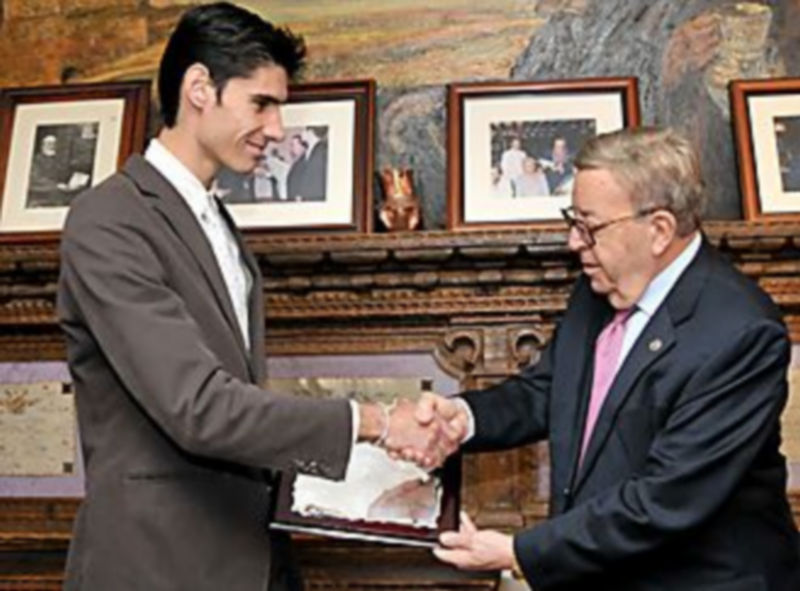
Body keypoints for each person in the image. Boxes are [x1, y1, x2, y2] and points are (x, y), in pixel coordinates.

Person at [56, 4, 458, 591]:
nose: (276, 129)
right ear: (199, 89)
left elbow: (238, 406)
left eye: (280, 108)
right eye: (261, 104)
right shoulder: (109, 220)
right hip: (154, 566)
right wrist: (375, 422)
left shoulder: (217, 222)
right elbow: (201, 408)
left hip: (252, 556)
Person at [421, 127, 800, 590]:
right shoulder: (602, 284)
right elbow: (548, 389)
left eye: (589, 226)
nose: (572, 242)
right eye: (572, 220)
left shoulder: (741, 334)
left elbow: (666, 498)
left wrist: (521, 552)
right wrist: (462, 417)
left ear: (658, 229)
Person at [298, 125, 327, 201]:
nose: (302, 133)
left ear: (310, 132)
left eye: (304, 130)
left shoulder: (321, 150)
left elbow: (315, 180)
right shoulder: (314, 150)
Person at [285, 133, 307, 200]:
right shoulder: (296, 162)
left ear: (302, 146)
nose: (291, 148)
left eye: (293, 145)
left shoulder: (304, 162)